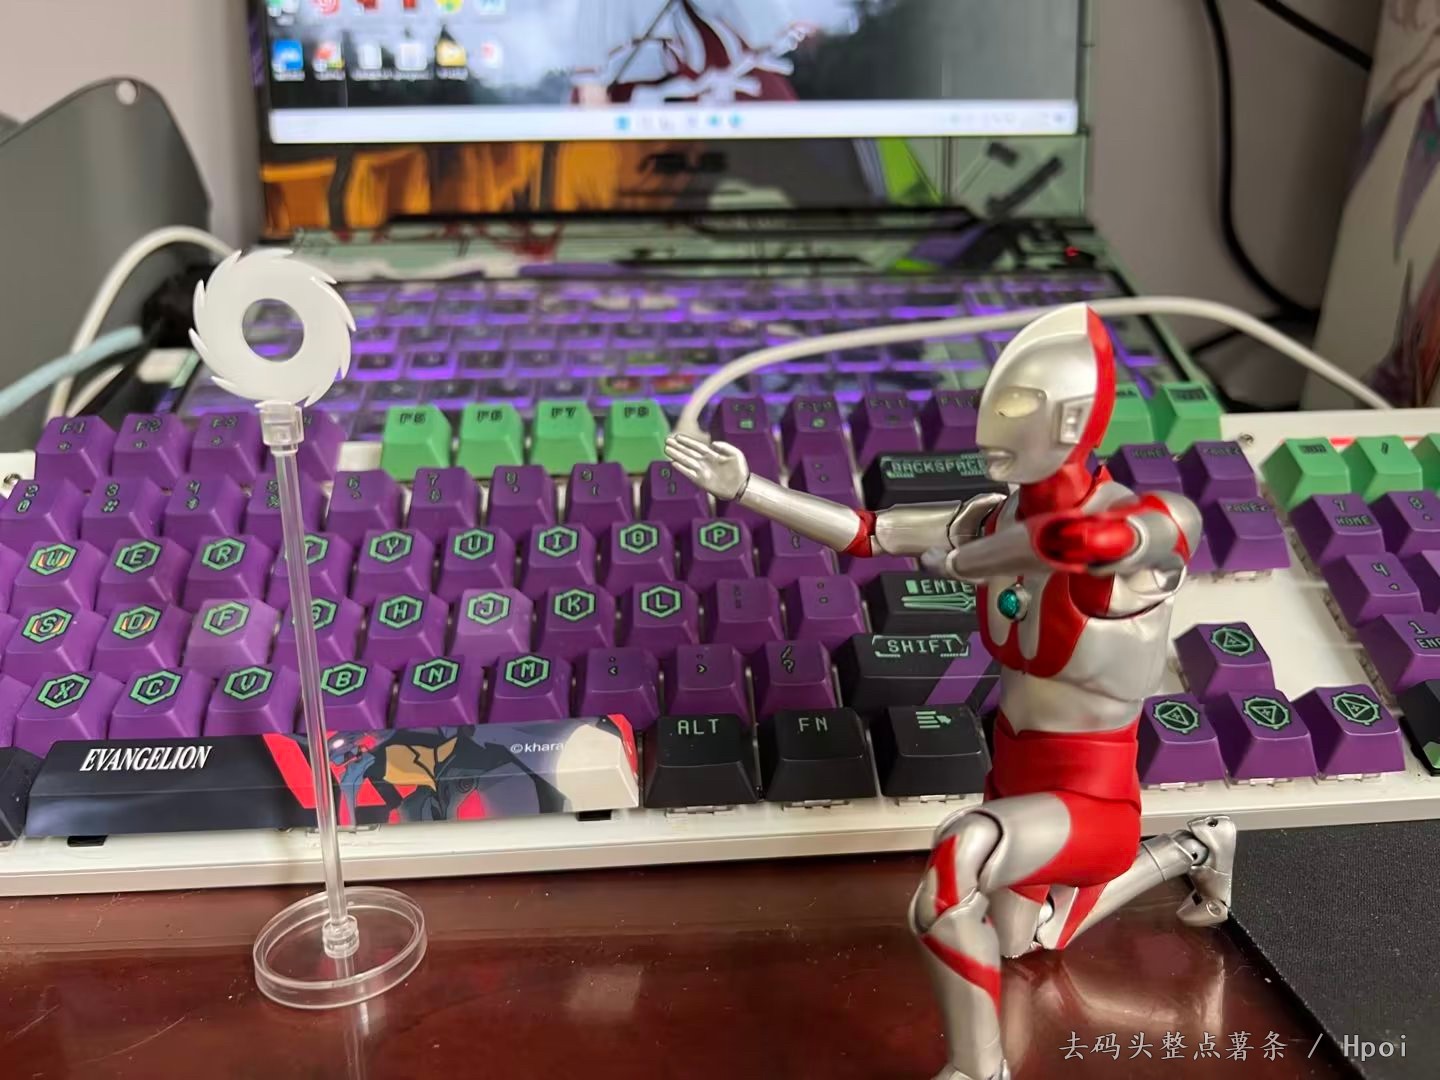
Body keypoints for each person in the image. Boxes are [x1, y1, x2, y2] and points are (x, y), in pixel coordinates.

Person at [665, 304, 1236, 1080]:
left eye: (1016, 407)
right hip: (1015, 772)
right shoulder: (993, 516)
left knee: (955, 860)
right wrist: (749, 488)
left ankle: (979, 1069)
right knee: (1025, 942)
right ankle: (1197, 846)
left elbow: (1137, 533)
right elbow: (869, 532)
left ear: (1070, 420)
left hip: (1092, 792)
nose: (990, 427)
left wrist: (1001, 555)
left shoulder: (1135, 529)